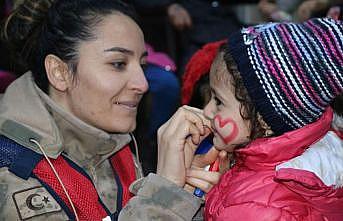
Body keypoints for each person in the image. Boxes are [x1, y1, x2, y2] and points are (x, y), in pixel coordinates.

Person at [0, 0, 224, 220]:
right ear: (60, 72)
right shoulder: (10, 169)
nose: (143, 84)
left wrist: (181, 195)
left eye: (143, 65)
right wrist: (162, 194)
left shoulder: (111, 140)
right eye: (118, 64)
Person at [201, 18, 343, 220]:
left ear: (264, 120)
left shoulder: (249, 211)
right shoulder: (320, 158)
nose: (207, 111)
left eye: (218, 101)